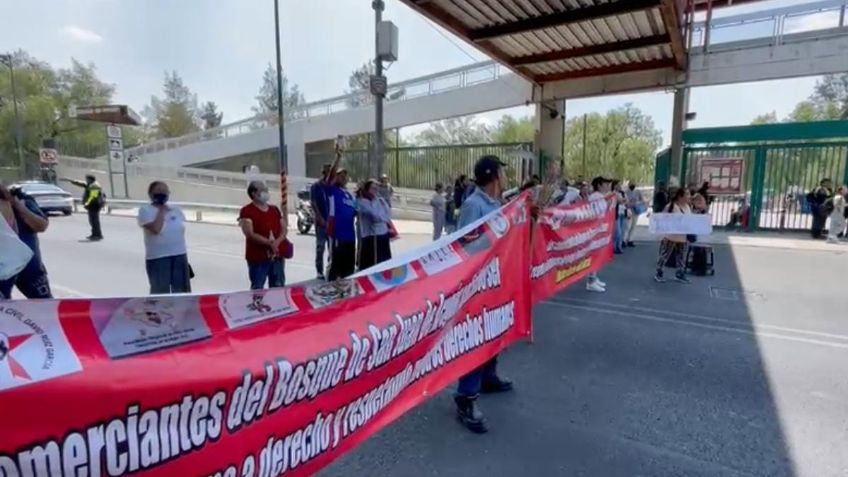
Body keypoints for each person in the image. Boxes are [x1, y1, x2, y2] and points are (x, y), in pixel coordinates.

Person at [453, 155, 513, 434]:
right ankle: (466, 397)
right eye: (502, 171)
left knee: (495, 330)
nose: (505, 176)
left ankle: (488, 376)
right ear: (493, 175)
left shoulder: (497, 204)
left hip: (497, 279)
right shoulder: (473, 205)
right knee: (476, 338)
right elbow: (464, 247)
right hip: (479, 284)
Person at [0, 183, 52, 299]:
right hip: (3, 270)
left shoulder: (19, 197)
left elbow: (41, 225)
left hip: (30, 268)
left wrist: (16, 204)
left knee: (45, 306)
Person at [137, 181, 191, 294]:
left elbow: (180, 229)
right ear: (151, 194)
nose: (162, 193)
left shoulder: (176, 210)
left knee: (182, 291)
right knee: (160, 292)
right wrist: (161, 210)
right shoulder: (145, 210)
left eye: (164, 191)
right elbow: (156, 229)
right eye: (159, 190)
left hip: (179, 255)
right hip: (158, 257)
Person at [239, 181, 287, 290]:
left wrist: (277, 242)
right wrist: (269, 243)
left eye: (266, 190)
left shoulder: (274, 210)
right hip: (258, 257)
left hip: (276, 257)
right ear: (254, 193)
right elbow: (250, 233)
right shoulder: (247, 211)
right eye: (263, 190)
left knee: (278, 287)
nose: (266, 192)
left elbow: (284, 228)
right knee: (258, 288)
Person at [654, 187, 692, 284]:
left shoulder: (687, 207)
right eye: (687, 194)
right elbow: (663, 219)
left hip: (683, 236)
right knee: (664, 255)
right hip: (670, 236)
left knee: (682, 256)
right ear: (680, 196)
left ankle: (679, 274)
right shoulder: (671, 206)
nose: (689, 197)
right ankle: (659, 273)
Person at [326, 168, 357, 280]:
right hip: (336, 234)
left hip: (350, 237)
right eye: (340, 175)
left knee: (348, 270)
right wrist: (338, 157)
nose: (343, 177)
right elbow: (330, 175)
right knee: (335, 266)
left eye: (345, 175)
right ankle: (329, 291)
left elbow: (356, 211)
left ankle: (346, 293)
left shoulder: (350, 195)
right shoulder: (331, 191)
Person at [357, 179, 393, 270]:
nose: (375, 190)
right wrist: (382, 217)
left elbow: (388, 214)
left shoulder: (380, 200)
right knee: (371, 265)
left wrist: (383, 218)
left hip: (383, 235)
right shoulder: (362, 202)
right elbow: (374, 216)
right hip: (371, 237)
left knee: (384, 263)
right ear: (367, 189)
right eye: (373, 188)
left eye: (376, 188)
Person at [62, 174, 104, 240]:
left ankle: (97, 235)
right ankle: (94, 234)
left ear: (90, 179)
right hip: (93, 205)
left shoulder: (94, 186)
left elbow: (93, 197)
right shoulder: (90, 184)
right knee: (92, 221)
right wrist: (70, 180)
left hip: (94, 205)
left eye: (87, 179)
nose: (86, 180)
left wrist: (87, 204)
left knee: (94, 221)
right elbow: (81, 183)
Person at [311, 164, 332, 280]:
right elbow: (313, 203)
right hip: (321, 222)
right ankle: (319, 270)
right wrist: (320, 218)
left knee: (331, 247)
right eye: (326, 172)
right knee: (320, 246)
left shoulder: (331, 186)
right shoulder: (316, 186)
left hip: (331, 222)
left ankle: (330, 268)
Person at [624, 183, 645, 247]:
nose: (632, 185)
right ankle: (624, 240)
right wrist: (629, 204)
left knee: (633, 226)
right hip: (629, 211)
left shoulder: (638, 192)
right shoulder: (626, 192)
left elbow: (642, 200)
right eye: (631, 183)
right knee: (627, 226)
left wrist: (637, 203)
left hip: (636, 211)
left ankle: (630, 240)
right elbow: (624, 201)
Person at [612, 180, 627, 254]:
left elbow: (626, 201)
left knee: (622, 231)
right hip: (616, 214)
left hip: (622, 213)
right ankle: (614, 247)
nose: (619, 186)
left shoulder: (622, 193)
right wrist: (622, 200)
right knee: (618, 232)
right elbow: (619, 201)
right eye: (618, 185)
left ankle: (619, 247)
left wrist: (623, 200)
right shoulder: (612, 193)